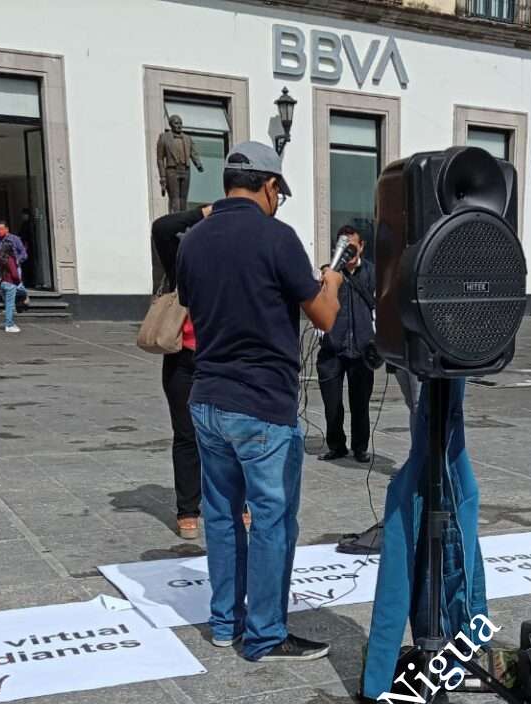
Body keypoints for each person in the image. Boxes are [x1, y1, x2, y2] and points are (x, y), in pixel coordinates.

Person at [175, 141, 343, 662]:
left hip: (207, 397)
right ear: (270, 186)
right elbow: (324, 317)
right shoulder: (277, 237)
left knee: (222, 515)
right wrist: (333, 282)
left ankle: (225, 622)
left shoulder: (192, 241)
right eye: (278, 193)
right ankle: (266, 634)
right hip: (262, 404)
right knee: (272, 519)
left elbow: (193, 305)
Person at [151, 202, 211, 539]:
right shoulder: (183, 261)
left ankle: (239, 502)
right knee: (186, 435)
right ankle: (188, 509)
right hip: (183, 359)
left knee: (232, 435)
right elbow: (162, 228)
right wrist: (203, 213)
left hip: (222, 361)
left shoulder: (234, 263)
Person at [318, 224, 377, 464]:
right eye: (345, 248)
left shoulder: (372, 273)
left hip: (362, 348)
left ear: (361, 246)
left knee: (360, 403)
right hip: (333, 347)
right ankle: (336, 445)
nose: (350, 253)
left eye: (353, 247)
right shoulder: (331, 273)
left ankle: (360, 447)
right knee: (332, 404)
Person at [0, 221, 28, 334]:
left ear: (7, 229)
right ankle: (9, 321)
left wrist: (17, 260)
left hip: (11, 269)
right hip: (4, 274)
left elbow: (23, 253)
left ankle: (19, 301)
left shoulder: (15, 239)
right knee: (10, 296)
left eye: (1, 229)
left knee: (17, 292)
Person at [157, 114, 204, 209]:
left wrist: (198, 164)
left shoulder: (187, 138)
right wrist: (162, 176)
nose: (179, 126)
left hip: (185, 170)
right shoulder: (164, 137)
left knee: (183, 198)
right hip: (172, 170)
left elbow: (193, 153)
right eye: (176, 123)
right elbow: (160, 159)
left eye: (180, 123)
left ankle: (183, 216)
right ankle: (175, 216)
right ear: (171, 125)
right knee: (174, 198)